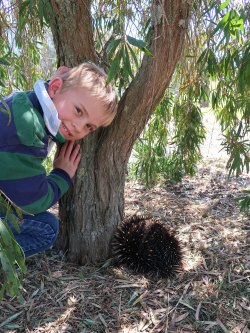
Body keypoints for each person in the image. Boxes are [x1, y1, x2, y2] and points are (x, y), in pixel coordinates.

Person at [0, 62, 118, 257]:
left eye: (89, 127)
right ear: (54, 88)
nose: (79, 127)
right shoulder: (28, 128)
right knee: (47, 229)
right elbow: (31, 202)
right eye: (79, 111)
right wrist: (61, 175)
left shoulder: (23, 103)